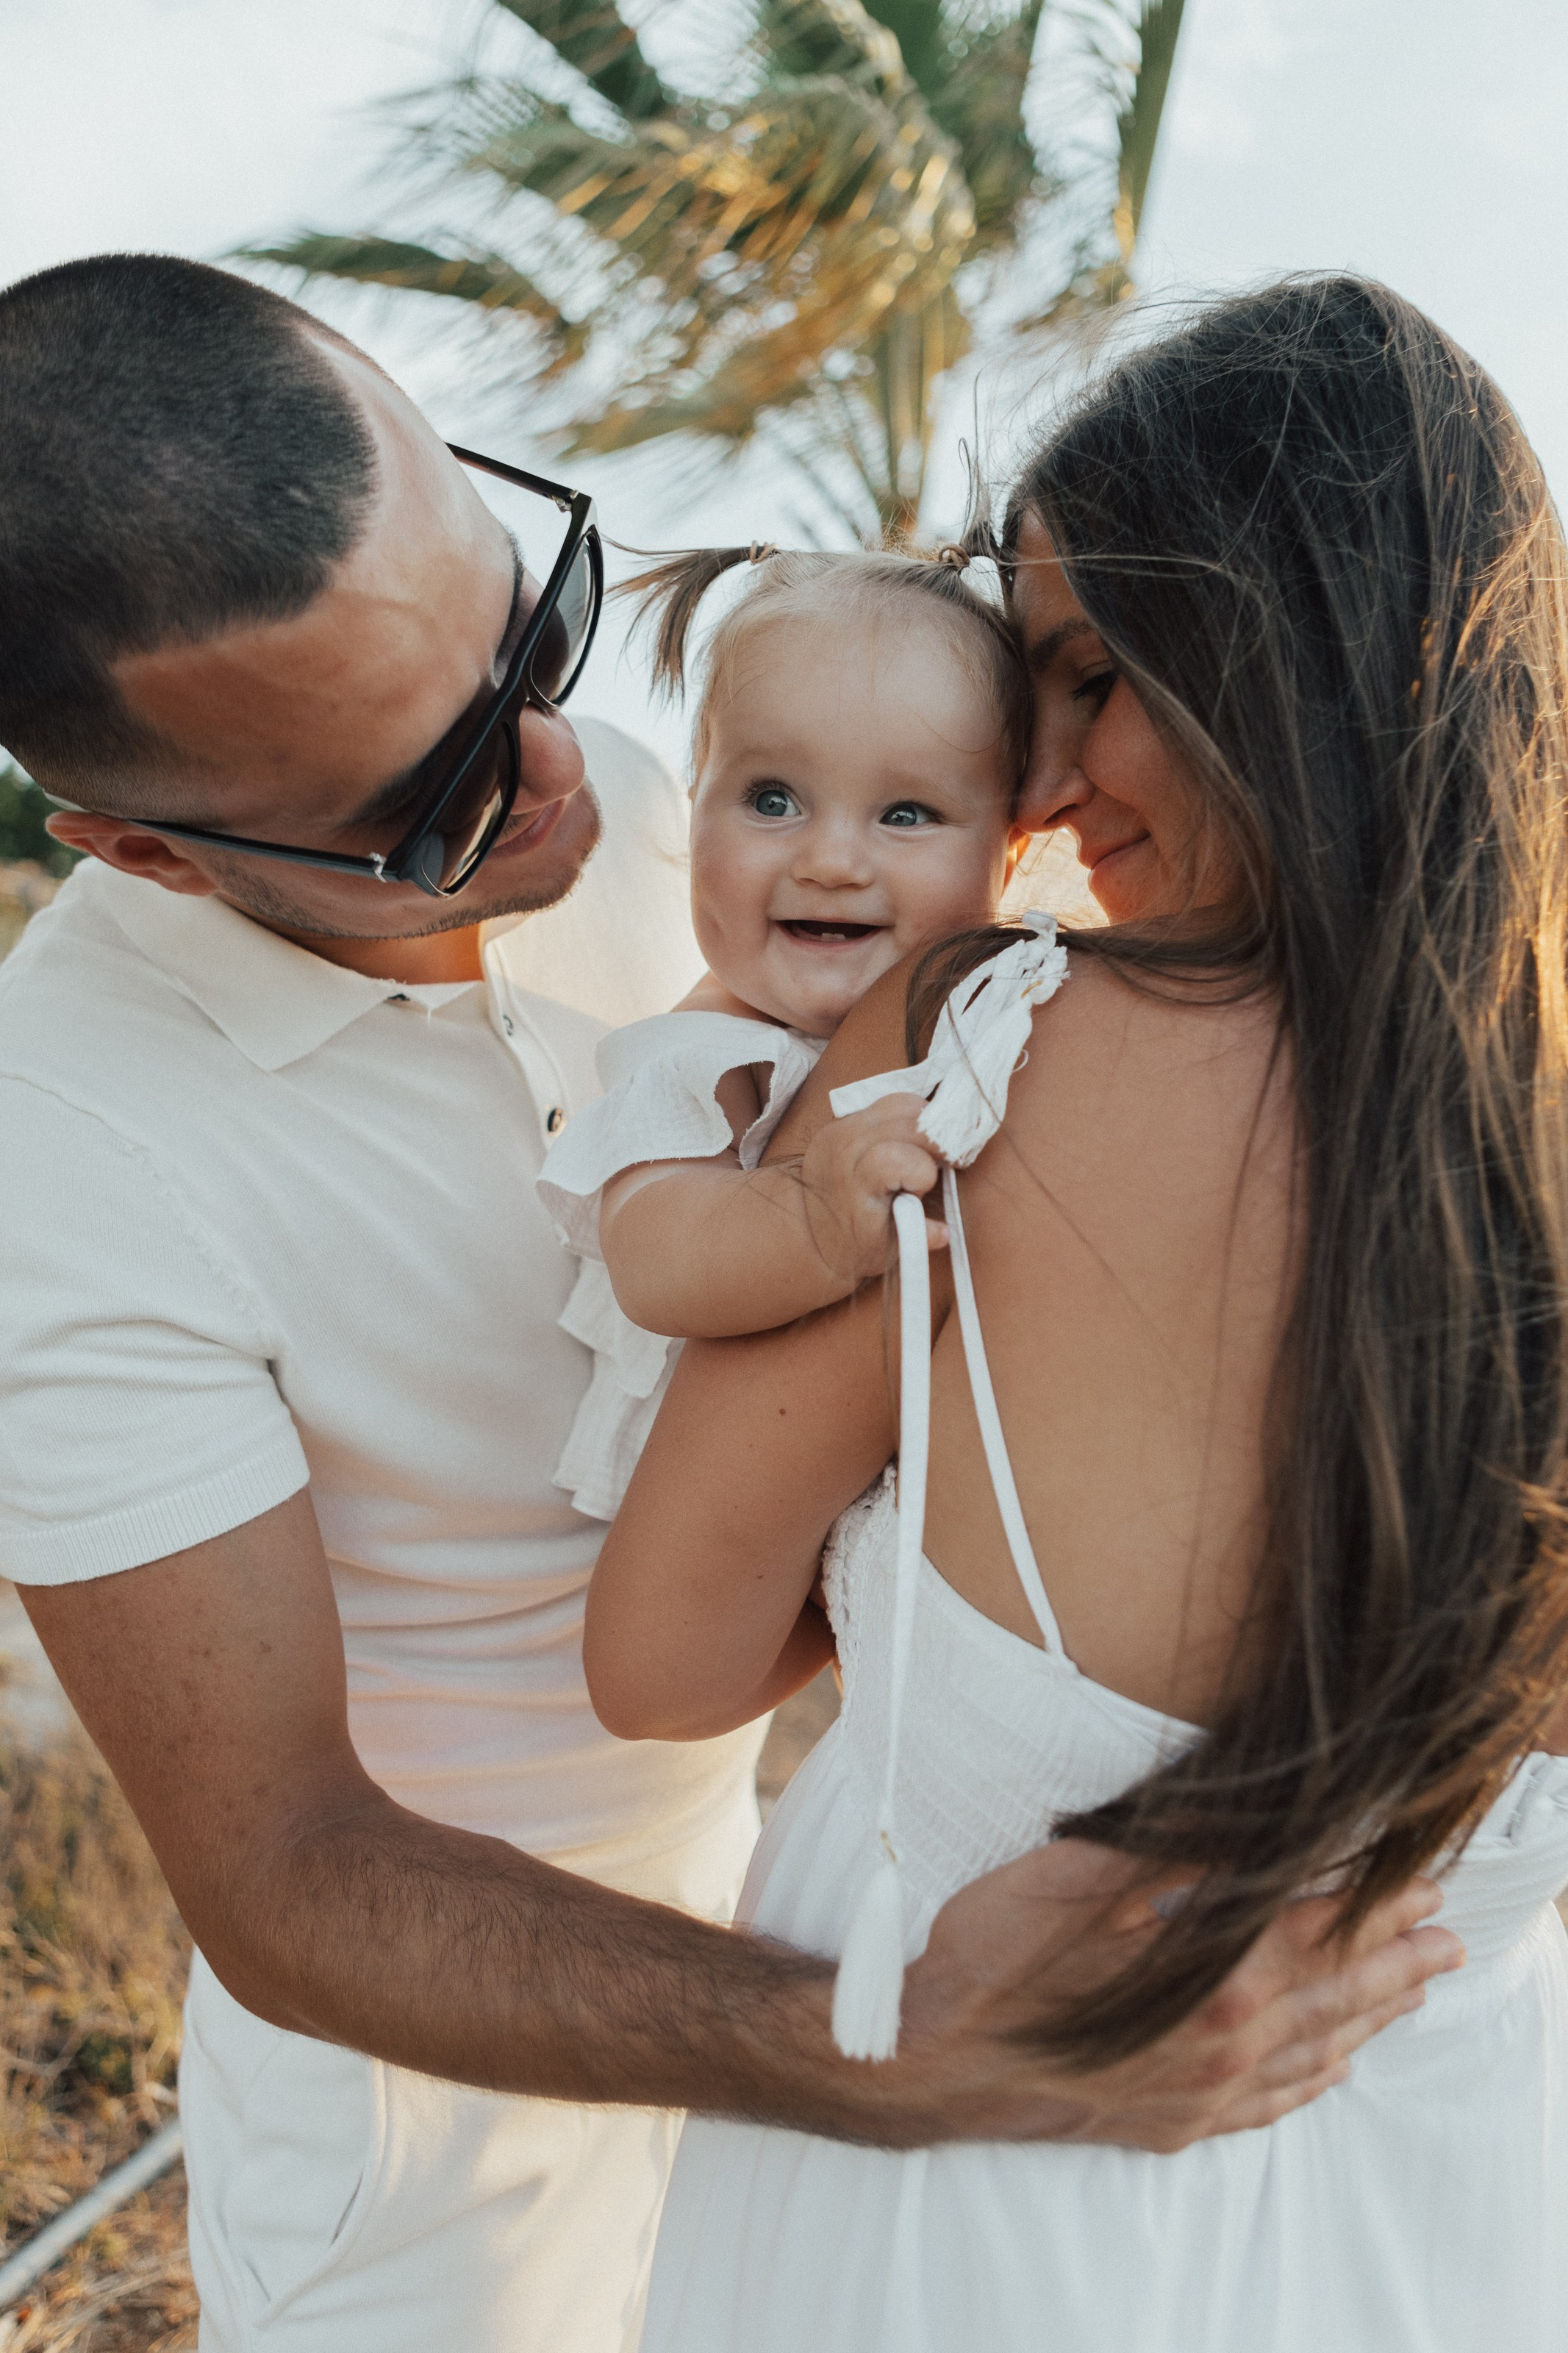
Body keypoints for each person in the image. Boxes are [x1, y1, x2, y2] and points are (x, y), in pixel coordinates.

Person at [0, 255, 1456, 2353]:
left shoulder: (654, 829)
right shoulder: (62, 1159)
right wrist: (888, 2040)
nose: (560, 772)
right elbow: (286, 1871)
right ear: (142, 852)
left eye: (537, 628)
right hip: (444, 2181)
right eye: (431, 796)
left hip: (805, 1930)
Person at [585, 277, 1568, 2350]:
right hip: (1454, 2225)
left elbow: (663, 1661)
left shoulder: (976, 1043)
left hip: (964, 2211)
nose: (1034, 782)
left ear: (1290, 654)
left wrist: (894, 1531)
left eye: (1092, 678)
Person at [537, 539, 1037, 1522]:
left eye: (907, 813)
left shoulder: (991, 1026)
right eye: (772, 801)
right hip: (720, 1508)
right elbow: (656, 1255)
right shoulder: (706, 1054)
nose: (832, 860)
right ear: (695, 815)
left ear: (1006, 858)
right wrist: (808, 1216)